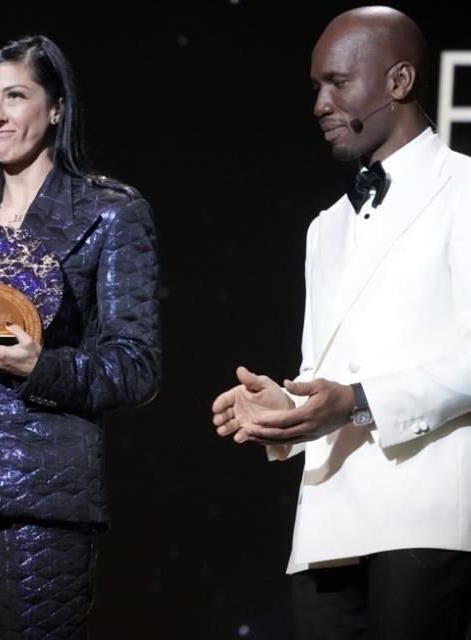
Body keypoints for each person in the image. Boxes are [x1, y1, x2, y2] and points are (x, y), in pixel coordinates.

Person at [211, 6, 471, 639]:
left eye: (338, 83)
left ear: (400, 81)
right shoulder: (324, 227)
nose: (321, 104)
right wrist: (282, 406)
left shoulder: (464, 190)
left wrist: (355, 402)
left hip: (425, 512)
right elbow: (324, 368)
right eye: (316, 88)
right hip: (329, 513)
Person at [0, 34, 161, 639]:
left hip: (40, 492)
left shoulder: (111, 211)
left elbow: (136, 365)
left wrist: (39, 366)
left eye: (15, 96)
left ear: (57, 107)